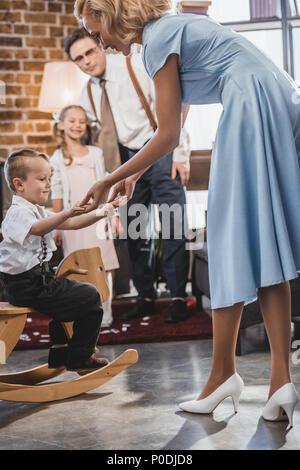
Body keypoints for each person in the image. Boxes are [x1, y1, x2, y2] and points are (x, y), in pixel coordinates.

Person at [74, 0, 300, 426]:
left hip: (251, 103)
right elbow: (172, 122)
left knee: (230, 235)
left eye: (96, 29)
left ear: (113, 15)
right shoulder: (169, 30)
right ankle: (276, 381)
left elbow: (168, 133)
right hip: (274, 96)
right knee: (264, 241)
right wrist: (136, 175)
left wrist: (107, 179)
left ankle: (222, 377)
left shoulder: (158, 38)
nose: (99, 41)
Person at [64, 26, 191, 323]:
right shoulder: (88, 93)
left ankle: (177, 298)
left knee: (172, 225)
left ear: (99, 46)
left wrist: (181, 154)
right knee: (136, 231)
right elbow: (100, 138)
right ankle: (145, 296)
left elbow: (176, 107)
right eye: (79, 58)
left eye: (89, 52)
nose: (86, 61)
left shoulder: (135, 64)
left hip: (160, 149)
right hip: (126, 163)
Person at [0, 148, 115, 372]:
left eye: (49, 179)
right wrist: (65, 213)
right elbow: (36, 229)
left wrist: (103, 211)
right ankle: (80, 357)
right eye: (42, 179)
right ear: (19, 184)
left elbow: (72, 223)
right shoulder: (17, 213)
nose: (48, 184)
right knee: (90, 297)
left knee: (73, 299)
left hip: (37, 281)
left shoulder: (36, 210)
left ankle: (61, 352)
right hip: (27, 285)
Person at [51, 104, 120, 327]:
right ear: (61, 125)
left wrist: (113, 216)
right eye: (72, 121)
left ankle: (106, 314)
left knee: (105, 263)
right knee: (78, 264)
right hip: (74, 222)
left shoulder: (96, 153)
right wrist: (58, 226)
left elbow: (107, 186)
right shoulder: (57, 158)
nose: (77, 125)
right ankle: (82, 314)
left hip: (99, 218)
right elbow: (58, 194)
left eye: (81, 121)